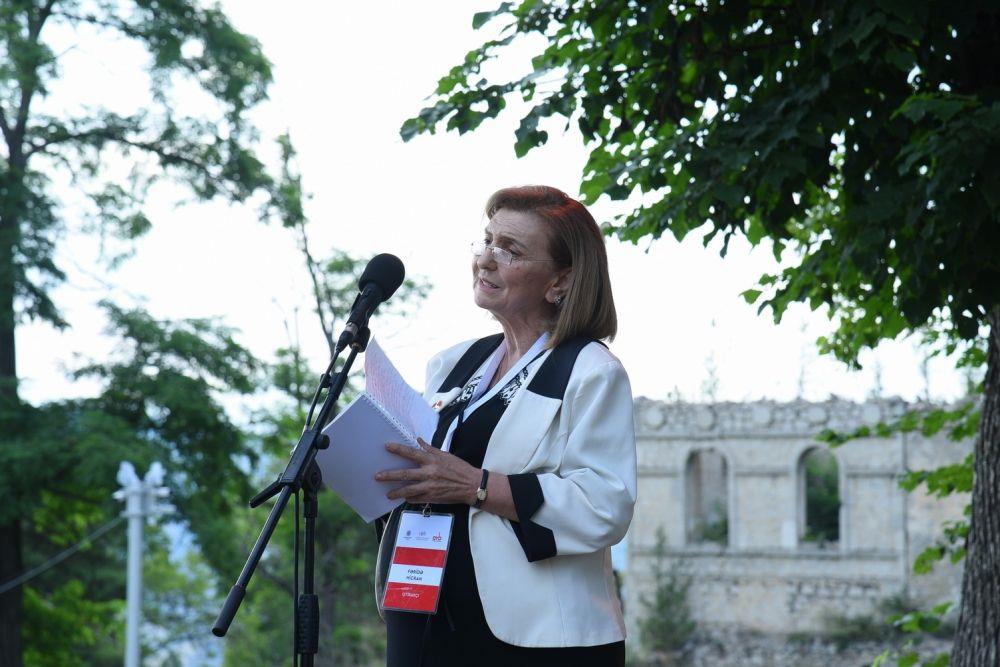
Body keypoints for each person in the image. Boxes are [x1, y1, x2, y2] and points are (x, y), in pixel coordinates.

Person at [374, 185, 636, 666]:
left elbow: (605, 505)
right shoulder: (453, 363)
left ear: (560, 281)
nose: (485, 260)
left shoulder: (590, 372)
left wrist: (477, 486)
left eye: (510, 251)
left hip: (535, 636)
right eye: (487, 241)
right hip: (425, 611)